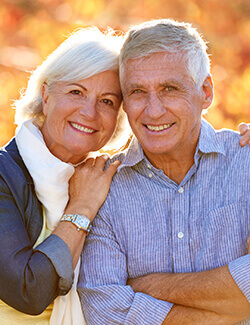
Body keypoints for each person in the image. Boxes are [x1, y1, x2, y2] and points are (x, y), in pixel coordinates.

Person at [78, 19, 250, 324]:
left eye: (170, 89)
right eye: (137, 92)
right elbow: (104, 310)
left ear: (206, 92)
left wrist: (150, 287)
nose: (153, 110)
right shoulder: (103, 186)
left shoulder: (245, 163)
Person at [0, 26, 129, 324]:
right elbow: (28, 290)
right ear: (46, 93)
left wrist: (242, 149)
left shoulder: (108, 178)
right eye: (76, 92)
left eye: (107, 101)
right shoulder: (4, 174)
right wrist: (81, 208)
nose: (90, 112)